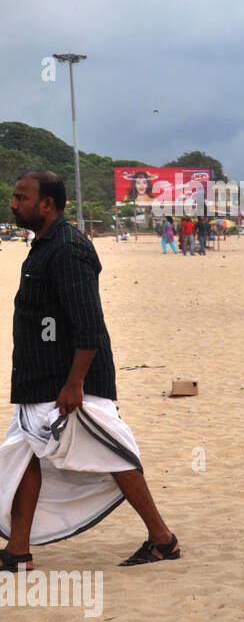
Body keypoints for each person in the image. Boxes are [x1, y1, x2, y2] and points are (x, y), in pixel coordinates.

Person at [2, 171, 181, 571]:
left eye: (20, 197)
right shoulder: (44, 245)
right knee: (25, 455)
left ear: (47, 204)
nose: (13, 204)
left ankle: (162, 538)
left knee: (113, 454)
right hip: (38, 381)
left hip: (68, 383)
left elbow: (88, 326)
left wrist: (74, 385)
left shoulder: (67, 250)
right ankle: (18, 550)